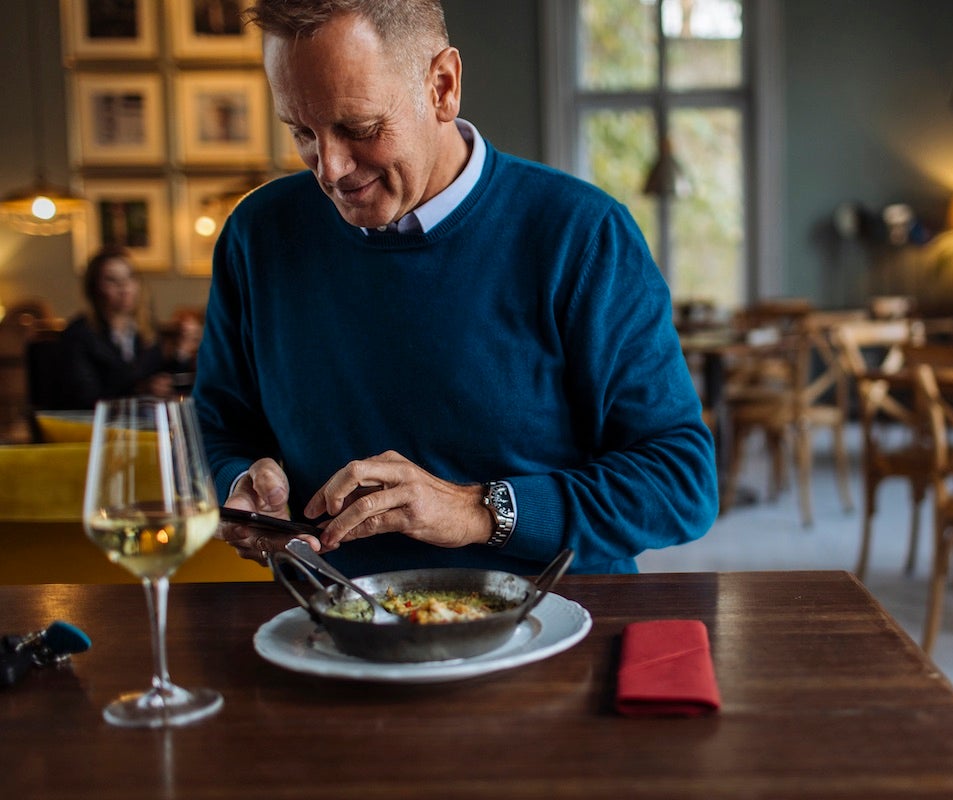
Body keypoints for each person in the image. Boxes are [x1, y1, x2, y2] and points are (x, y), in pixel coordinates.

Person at [192, 0, 718, 577]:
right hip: (329, 629)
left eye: (359, 128)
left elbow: (681, 481)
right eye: (302, 132)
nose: (330, 169)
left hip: (552, 626)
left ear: (443, 86)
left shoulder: (583, 235)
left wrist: (477, 510)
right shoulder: (256, 235)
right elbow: (219, 426)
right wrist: (241, 479)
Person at [51, 247, 188, 410]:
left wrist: (181, 352)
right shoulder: (79, 334)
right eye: (112, 280)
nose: (124, 288)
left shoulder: (147, 329)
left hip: (142, 425)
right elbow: (84, 399)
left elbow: (159, 379)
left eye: (130, 277)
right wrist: (141, 390)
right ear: (94, 288)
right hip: (95, 427)